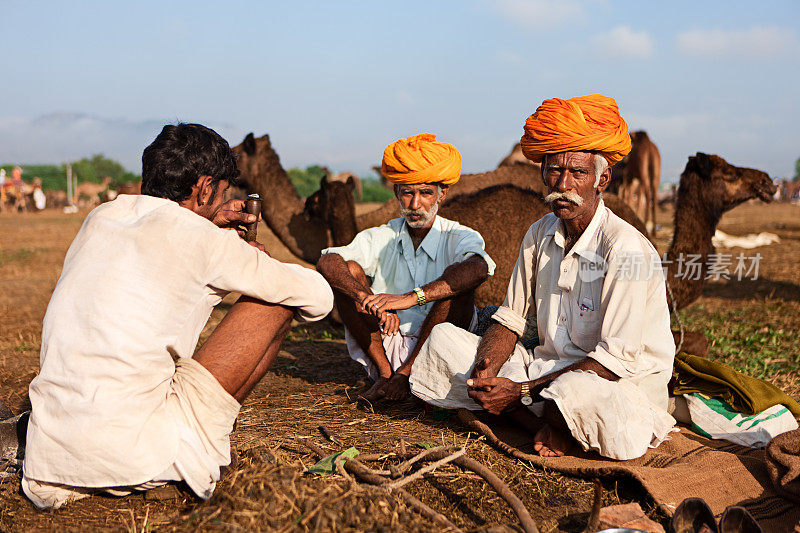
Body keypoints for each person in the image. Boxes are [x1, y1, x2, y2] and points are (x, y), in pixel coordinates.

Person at [22, 123, 334, 509]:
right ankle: (199, 450)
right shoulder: (205, 241)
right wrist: (250, 258)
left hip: (46, 463)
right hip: (135, 458)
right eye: (221, 193)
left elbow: (167, 231)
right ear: (204, 188)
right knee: (276, 300)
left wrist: (210, 224)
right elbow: (318, 298)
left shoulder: (100, 218)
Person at [409, 95, 676, 460]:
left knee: (576, 393)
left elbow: (616, 362)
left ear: (603, 179)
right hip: (545, 372)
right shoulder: (539, 233)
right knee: (443, 341)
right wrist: (487, 371)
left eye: (578, 173)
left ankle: (534, 417)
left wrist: (520, 392)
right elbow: (510, 319)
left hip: (614, 387)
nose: (563, 183)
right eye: (554, 171)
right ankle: (547, 428)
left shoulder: (625, 247)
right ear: (541, 173)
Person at [317, 133, 495, 402]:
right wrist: (367, 299)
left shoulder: (460, 236)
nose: (415, 204)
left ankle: (407, 373)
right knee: (349, 270)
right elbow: (327, 261)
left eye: (426, 193)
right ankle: (386, 374)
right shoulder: (381, 235)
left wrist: (409, 298)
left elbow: (479, 268)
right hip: (385, 339)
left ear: (442, 194)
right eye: (408, 193)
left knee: (455, 283)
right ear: (396, 193)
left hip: (440, 343)